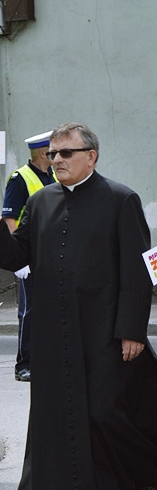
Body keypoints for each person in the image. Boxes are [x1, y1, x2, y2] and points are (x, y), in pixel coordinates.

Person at [0, 122, 157, 490]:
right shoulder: (40, 201)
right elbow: (16, 254)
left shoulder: (120, 199)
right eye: (52, 154)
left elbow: (137, 271)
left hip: (104, 329)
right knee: (65, 425)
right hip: (54, 334)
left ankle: (144, 472)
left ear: (91, 156)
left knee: (104, 414)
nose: (57, 160)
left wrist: (132, 329)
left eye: (66, 153)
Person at [2, 130, 55, 382]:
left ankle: (47, 360)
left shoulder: (54, 175)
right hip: (29, 256)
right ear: (44, 153)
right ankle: (24, 365)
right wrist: (19, 256)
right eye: (54, 152)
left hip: (53, 253)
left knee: (52, 308)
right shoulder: (19, 178)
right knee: (30, 310)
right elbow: (9, 217)